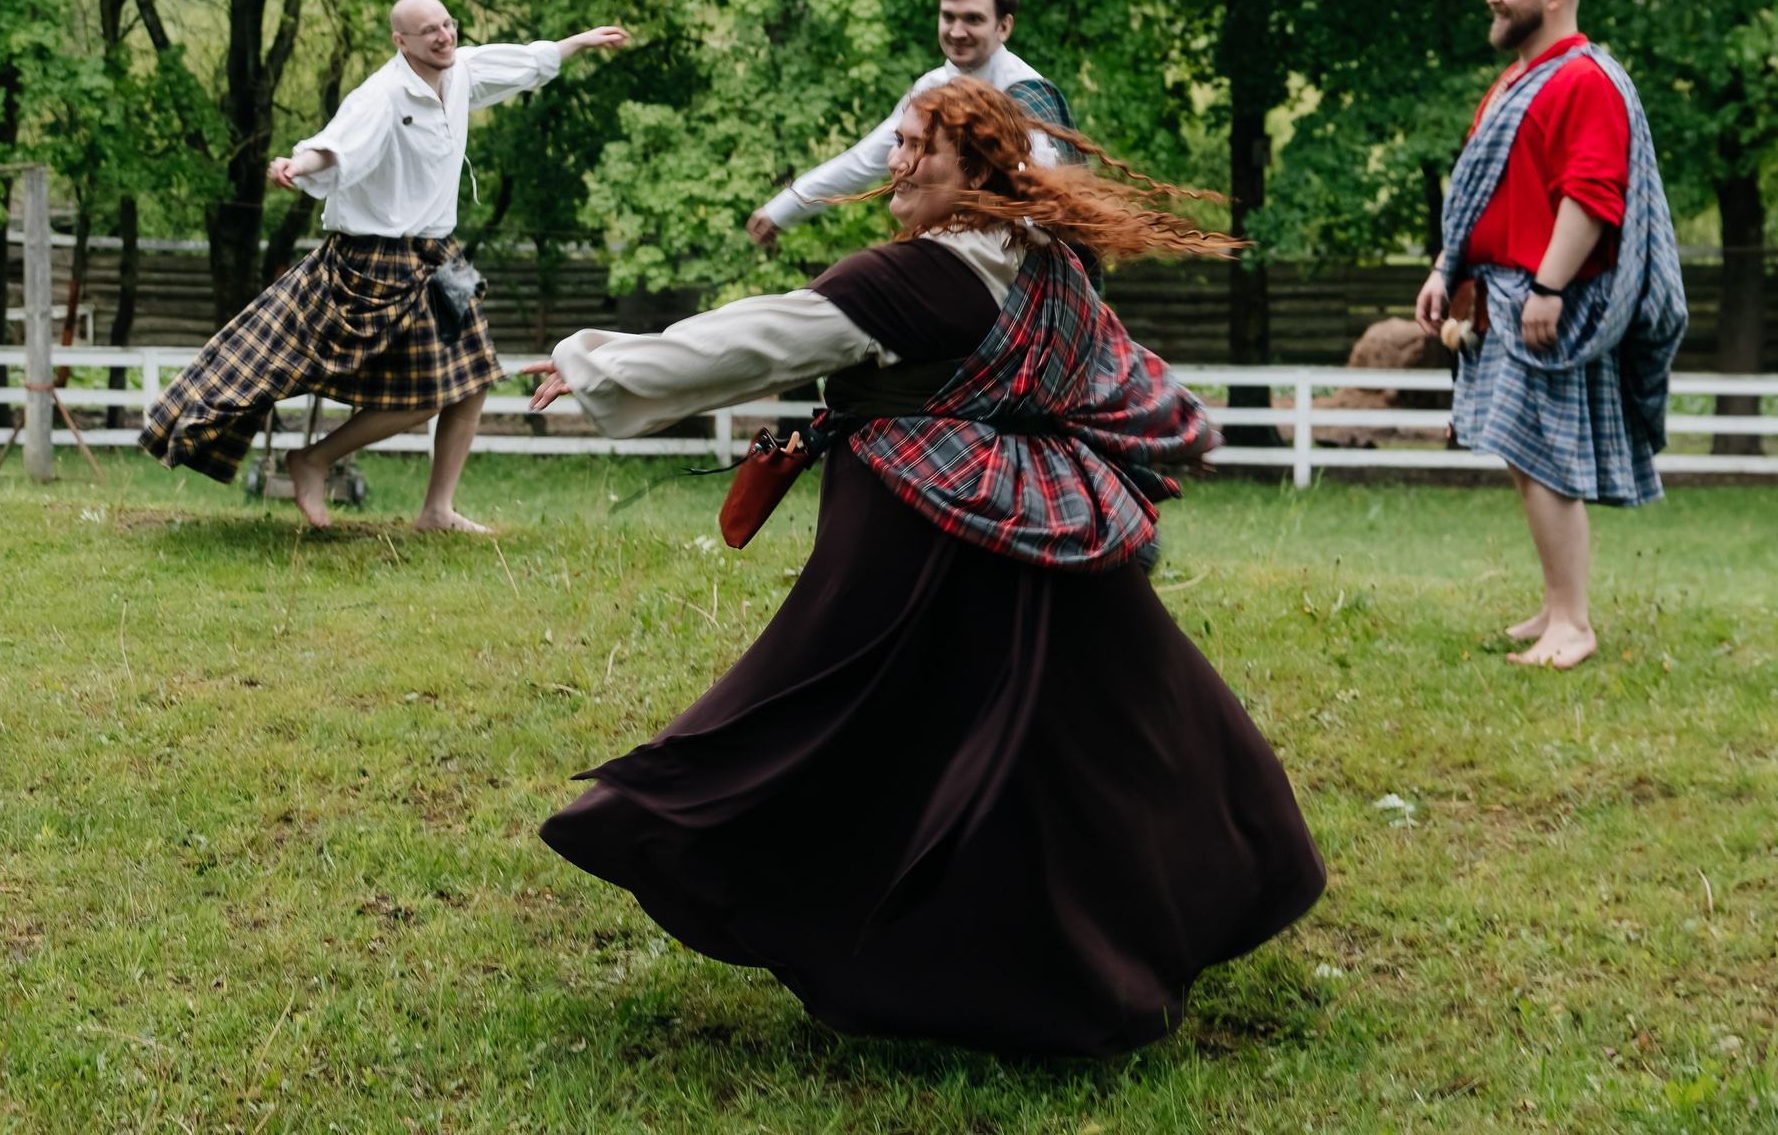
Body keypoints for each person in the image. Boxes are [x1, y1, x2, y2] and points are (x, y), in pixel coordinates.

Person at [520, 79, 1325, 1057]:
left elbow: (764, 335)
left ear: (978, 167)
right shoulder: (1044, 256)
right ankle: (1179, 904)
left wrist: (600, 362)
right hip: (1040, 539)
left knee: (843, 718)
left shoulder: (918, 278)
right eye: (894, 143)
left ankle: (695, 836)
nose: (896, 164)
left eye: (919, 149)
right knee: (1102, 730)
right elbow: (1109, 368)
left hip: (920, 545)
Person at [140, 0, 628, 532]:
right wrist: (295, 165)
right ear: (401, 41)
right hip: (378, 258)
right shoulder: (381, 95)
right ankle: (313, 460)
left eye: (448, 24)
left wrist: (579, 43)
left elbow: (522, 63)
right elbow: (334, 149)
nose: (444, 36)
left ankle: (437, 511)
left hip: (442, 254)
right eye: (429, 31)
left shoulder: (460, 71)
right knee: (425, 395)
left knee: (475, 376)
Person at [1415, 0, 1686, 670]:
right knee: (1522, 455)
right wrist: (1447, 268)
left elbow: (1592, 197)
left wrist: (1549, 288)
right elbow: (1484, 192)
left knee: (1547, 463)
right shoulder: (1516, 80)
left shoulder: (1584, 81)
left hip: (1545, 300)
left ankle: (1574, 622)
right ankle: (1553, 605)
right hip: (1501, 291)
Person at [745, 0, 1080, 248]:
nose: (957, 31)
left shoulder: (1026, 95)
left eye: (973, 19)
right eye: (949, 17)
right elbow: (866, 160)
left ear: (1004, 26)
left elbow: (1048, 207)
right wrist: (783, 208)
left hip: (1016, 266)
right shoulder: (933, 87)